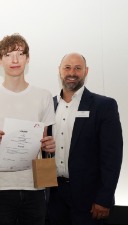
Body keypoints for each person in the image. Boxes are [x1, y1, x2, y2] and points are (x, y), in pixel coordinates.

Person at [0, 33, 56, 225]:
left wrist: (50, 145)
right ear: (0, 60)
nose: (14, 60)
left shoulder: (43, 96)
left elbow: (46, 142)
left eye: (20, 54)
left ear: (27, 59)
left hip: (34, 187)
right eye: (8, 54)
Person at [47, 53, 123, 225]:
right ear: (59, 71)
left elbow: (112, 157)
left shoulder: (104, 106)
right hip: (54, 197)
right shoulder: (49, 105)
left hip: (89, 200)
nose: (72, 72)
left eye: (77, 68)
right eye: (67, 67)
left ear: (86, 71)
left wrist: (104, 197)